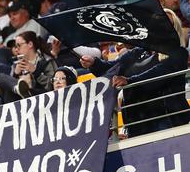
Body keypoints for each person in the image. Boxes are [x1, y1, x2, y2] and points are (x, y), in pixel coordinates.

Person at [81, 9, 190, 137]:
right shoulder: (136, 52)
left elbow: (157, 75)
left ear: (174, 30)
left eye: (166, 23)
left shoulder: (179, 53)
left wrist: (129, 81)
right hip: (137, 122)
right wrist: (94, 63)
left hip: (166, 120)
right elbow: (111, 69)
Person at [0, 31, 57, 101]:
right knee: (1, 76)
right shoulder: (16, 65)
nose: (16, 49)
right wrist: (15, 74)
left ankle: (25, 91)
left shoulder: (46, 61)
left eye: (18, 45)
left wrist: (35, 72)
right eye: (15, 47)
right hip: (20, 100)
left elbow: (53, 85)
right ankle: (18, 88)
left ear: (30, 44)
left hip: (41, 97)